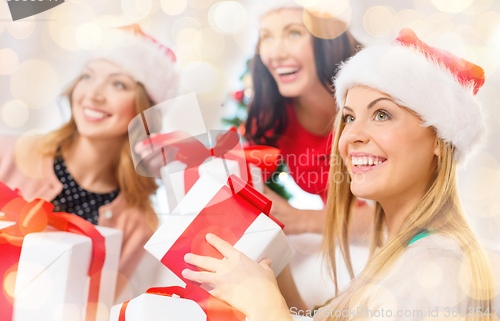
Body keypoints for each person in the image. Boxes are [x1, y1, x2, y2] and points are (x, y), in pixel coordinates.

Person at [180, 28, 496, 321]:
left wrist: (266, 306)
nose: (350, 137)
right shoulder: (402, 253)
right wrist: (270, 259)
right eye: (348, 117)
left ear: (439, 139)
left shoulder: (436, 268)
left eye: (382, 114)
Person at [0, 24, 179, 299]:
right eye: (87, 76)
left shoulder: (139, 224)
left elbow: (97, 310)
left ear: (144, 110)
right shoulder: (7, 152)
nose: (94, 94)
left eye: (118, 83)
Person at [244, 0, 373, 238]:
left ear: (328, 37)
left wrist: (304, 219)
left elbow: (402, 213)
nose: (276, 53)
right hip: (338, 248)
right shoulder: (273, 116)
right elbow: (240, 179)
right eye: (267, 37)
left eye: (294, 33)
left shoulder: (377, 98)